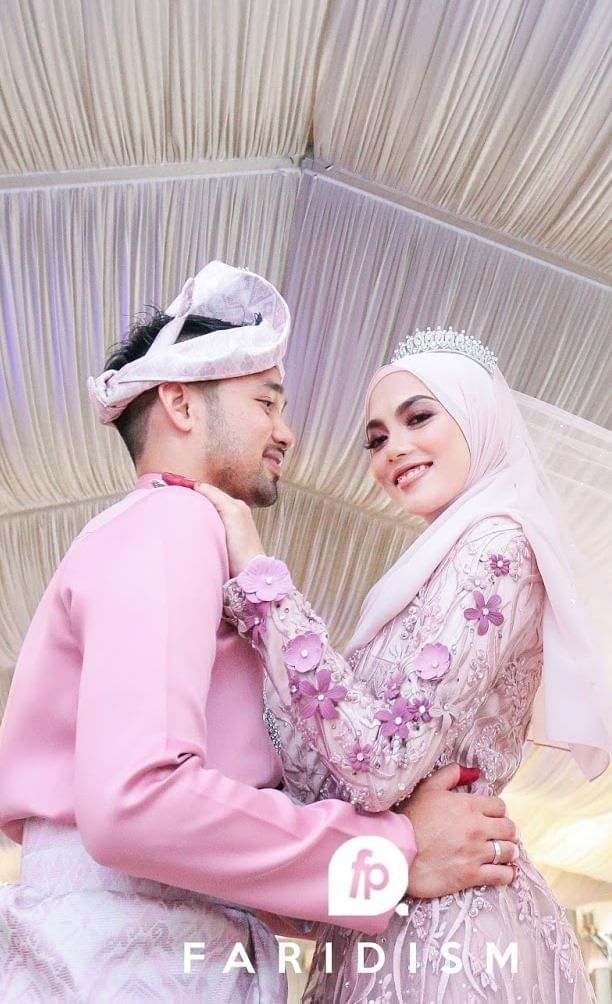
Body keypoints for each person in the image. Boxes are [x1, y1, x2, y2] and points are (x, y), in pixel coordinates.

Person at [0, 271, 519, 1003]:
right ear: (179, 402)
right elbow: (135, 805)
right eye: (265, 402)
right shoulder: (169, 522)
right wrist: (395, 853)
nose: (287, 431)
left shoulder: (186, 542)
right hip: (123, 957)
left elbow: (203, 836)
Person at [193, 328, 610, 1002]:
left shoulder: (498, 545)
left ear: (478, 413)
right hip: (391, 909)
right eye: (377, 438)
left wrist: (265, 589)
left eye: (419, 417)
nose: (394, 449)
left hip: (454, 930)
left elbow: (382, 763)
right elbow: (323, 770)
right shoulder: (418, 579)